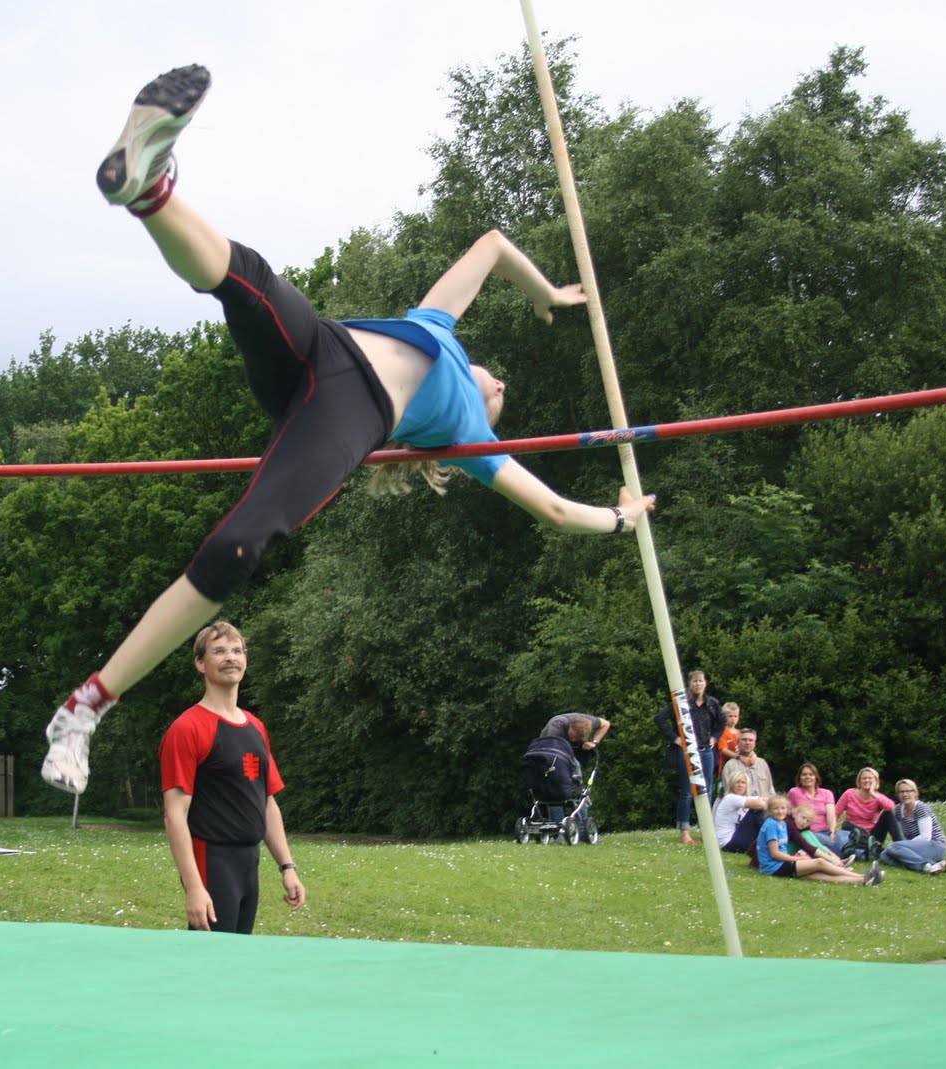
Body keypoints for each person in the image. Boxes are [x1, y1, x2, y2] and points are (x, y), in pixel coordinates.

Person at [40, 64, 656, 795]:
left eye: (501, 402)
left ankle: (86, 706)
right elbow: (492, 246)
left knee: (240, 545)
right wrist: (543, 291)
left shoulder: (467, 437)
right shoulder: (436, 325)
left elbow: (554, 509)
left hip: (348, 411)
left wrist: (622, 518)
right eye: (500, 385)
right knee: (248, 280)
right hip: (323, 347)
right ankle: (147, 190)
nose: (503, 389)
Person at [159, 620, 305, 933]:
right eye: (219, 651)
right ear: (200, 663)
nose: (230, 657)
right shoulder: (187, 729)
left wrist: (287, 866)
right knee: (210, 959)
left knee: (237, 955)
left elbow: (266, 802)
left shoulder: (256, 727)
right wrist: (194, 887)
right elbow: (174, 815)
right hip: (212, 860)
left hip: (249, 862)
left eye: (237, 650)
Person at [653, 670, 722, 844]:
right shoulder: (681, 703)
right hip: (687, 751)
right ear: (690, 684)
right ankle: (684, 833)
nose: (698, 684)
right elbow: (660, 718)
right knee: (687, 792)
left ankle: (705, 830)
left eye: (701, 681)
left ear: (705, 683)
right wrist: (674, 738)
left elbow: (721, 723)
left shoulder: (712, 703)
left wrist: (715, 737)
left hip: (706, 750)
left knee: (707, 790)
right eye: (695, 681)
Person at [756, 794, 881, 886]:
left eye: (783, 808)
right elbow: (775, 854)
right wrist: (798, 859)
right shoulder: (771, 825)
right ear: (769, 811)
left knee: (820, 876)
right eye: (776, 808)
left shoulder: (781, 823)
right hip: (774, 867)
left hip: (779, 865)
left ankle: (863, 880)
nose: (780, 811)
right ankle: (864, 875)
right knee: (819, 863)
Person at [536, 712, 609, 821]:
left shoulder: (588, 722)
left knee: (577, 788)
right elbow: (551, 752)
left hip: (567, 752)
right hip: (549, 752)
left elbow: (606, 724)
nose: (574, 740)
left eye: (577, 738)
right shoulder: (556, 727)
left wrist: (594, 742)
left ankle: (583, 822)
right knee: (554, 789)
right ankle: (558, 825)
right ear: (570, 727)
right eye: (572, 736)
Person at [880, 779, 946, 874]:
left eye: (908, 791)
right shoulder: (899, 810)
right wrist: (904, 847)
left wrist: (904, 846)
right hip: (917, 847)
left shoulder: (920, 808)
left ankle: (926, 867)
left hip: (935, 845)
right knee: (884, 855)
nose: (905, 794)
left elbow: (925, 837)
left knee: (893, 846)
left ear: (915, 793)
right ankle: (933, 866)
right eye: (901, 792)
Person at [835, 766, 899, 858]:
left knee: (888, 814)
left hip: (872, 835)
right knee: (847, 825)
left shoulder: (878, 797)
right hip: (853, 834)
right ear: (859, 781)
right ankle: (873, 848)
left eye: (870, 778)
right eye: (864, 778)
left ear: (876, 781)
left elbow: (891, 807)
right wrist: (831, 831)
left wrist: (873, 793)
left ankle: (900, 847)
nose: (867, 780)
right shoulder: (849, 793)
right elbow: (835, 813)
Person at [787, 762, 848, 857]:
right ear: (800, 777)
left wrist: (832, 832)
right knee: (823, 840)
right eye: (804, 775)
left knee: (844, 835)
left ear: (816, 777)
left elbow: (831, 816)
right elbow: (789, 814)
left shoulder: (826, 793)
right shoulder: (794, 792)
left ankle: (855, 851)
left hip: (826, 831)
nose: (807, 777)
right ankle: (848, 850)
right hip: (809, 832)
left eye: (810, 774)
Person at [712, 771, 767, 854]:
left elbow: (767, 800)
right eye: (737, 782)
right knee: (756, 810)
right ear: (732, 785)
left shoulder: (745, 798)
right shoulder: (730, 798)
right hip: (728, 843)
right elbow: (760, 804)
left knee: (773, 809)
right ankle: (770, 842)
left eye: (743, 783)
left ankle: (770, 842)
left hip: (737, 839)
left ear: (747, 786)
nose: (740, 785)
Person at [720, 727, 775, 800]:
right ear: (738, 742)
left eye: (751, 740)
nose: (747, 743)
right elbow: (728, 793)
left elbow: (770, 790)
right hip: (740, 806)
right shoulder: (730, 766)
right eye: (744, 740)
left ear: (755, 743)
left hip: (763, 805)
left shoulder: (762, 764)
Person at [715, 702, 741, 783]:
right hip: (726, 766)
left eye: (735, 716)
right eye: (730, 716)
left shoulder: (740, 733)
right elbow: (723, 750)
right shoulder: (722, 731)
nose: (733, 719)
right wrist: (738, 757)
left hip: (739, 767)